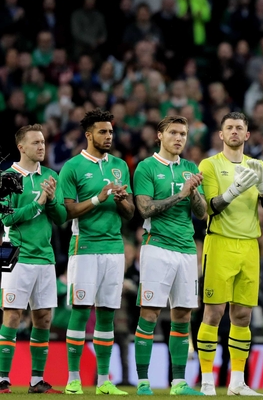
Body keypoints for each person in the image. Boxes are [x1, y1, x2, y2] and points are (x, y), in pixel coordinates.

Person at [196, 111, 263, 396]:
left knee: (242, 315)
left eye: (239, 128)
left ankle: (237, 383)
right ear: (221, 135)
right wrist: (232, 192)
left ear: (247, 135)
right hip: (220, 242)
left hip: (249, 246)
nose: (233, 131)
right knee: (214, 313)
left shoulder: (257, 166)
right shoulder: (208, 165)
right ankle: (207, 381)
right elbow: (208, 207)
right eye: (228, 127)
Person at [60, 109, 135, 395]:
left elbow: (129, 214)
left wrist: (121, 200)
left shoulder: (119, 165)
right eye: (103, 132)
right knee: (80, 312)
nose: (108, 136)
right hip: (85, 248)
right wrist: (97, 197)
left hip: (114, 249)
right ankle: (73, 378)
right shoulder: (73, 167)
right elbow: (68, 211)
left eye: (111, 132)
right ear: (89, 134)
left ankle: (104, 380)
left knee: (107, 315)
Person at [132, 116, 207, 396]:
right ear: (159, 136)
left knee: (183, 316)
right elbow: (145, 209)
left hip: (187, 249)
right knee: (150, 313)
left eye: (183, 134)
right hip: (157, 247)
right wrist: (181, 194)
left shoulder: (190, 168)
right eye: (173, 133)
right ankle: (142, 381)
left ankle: (178, 383)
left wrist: (195, 192)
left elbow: (201, 213)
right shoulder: (147, 167)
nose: (179, 138)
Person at [0, 124, 66, 394]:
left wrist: (50, 201)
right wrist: (38, 202)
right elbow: (7, 218)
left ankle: (37, 381)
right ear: (21, 147)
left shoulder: (51, 175)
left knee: (43, 319)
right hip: (15, 254)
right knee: (12, 316)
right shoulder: (6, 177)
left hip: (45, 257)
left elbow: (61, 218)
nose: (42, 146)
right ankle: (2, 378)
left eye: (43, 142)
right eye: (36, 142)